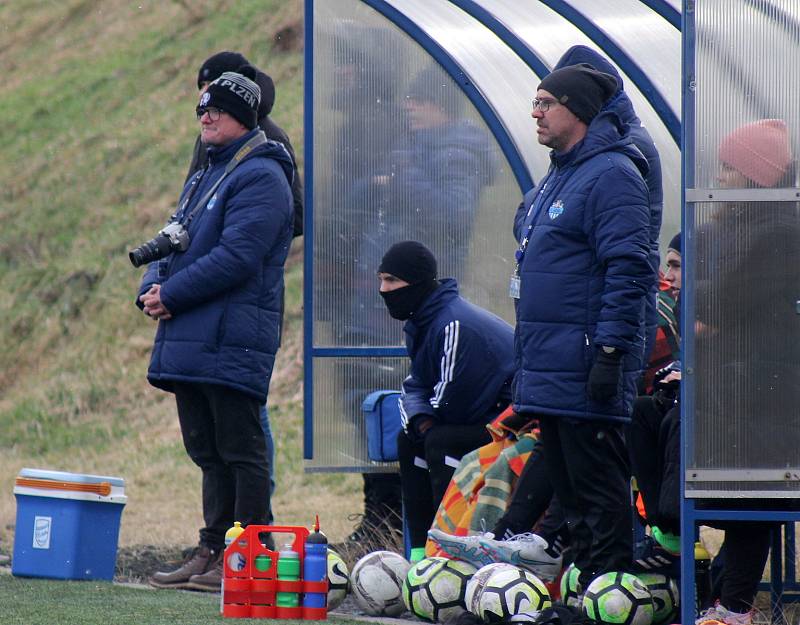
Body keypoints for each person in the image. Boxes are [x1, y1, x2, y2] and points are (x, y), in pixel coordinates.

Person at [138, 66, 294, 591]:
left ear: (244, 118)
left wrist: (173, 293)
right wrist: (151, 285)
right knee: (207, 450)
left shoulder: (263, 175)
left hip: (232, 333)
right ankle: (211, 550)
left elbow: (238, 256)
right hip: (195, 333)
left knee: (240, 449)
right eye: (202, 109)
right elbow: (174, 236)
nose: (205, 116)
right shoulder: (209, 169)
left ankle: (248, 552)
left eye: (217, 110)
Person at [512, 63, 654, 589]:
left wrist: (611, 352)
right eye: (535, 102)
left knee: (599, 491)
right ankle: (582, 592)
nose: (536, 112)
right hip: (550, 364)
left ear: (579, 110)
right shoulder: (561, 171)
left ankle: (611, 593)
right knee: (570, 497)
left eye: (547, 102)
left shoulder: (612, 173)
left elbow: (630, 266)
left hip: (585, 362)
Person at [184, 49, 304, 527]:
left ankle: (249, 539)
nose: (204, 113)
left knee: (243, 434)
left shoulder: (263, 150)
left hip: (238, 308)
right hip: (204, 309)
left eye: (211, 102)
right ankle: (218, 542)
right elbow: (186, 217)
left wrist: (183, 283)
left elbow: (277, 223)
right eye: (201, 106)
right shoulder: (216, 146)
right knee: (214, 441)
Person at [692, 119, 798, 625]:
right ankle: (722, 598)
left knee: (753, 490)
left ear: (757, 177)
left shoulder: (778, 230)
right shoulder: (740, 226)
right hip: (743, 378)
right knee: (736, 489)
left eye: (729, 168)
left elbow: (724, 299)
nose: (719, 178)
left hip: (767, 384)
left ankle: (733, 607)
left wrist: (706, 311)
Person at [377, 241, 515, 563]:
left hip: (511, 425)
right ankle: (419, 555)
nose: (383, 290)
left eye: (392, 281)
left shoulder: (452, 323)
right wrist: (419, 418)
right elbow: (413, 386)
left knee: (439, 440)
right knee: (409, 439)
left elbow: (453, 406)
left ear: (417, 282)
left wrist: (425, 417)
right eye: (381, 279)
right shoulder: (423, 321)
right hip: (479, 418)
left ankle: (450, 551)